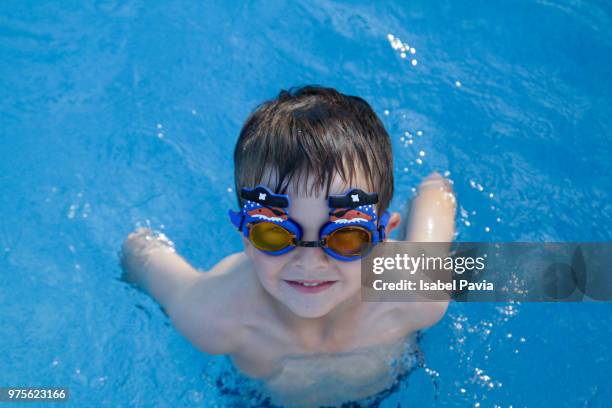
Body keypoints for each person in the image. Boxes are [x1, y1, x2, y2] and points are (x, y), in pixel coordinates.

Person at [120, 85, 456, 407]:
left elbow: (438, 202)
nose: (309, 262)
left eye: (347, 236)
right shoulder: (215, 316)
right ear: (245, 237)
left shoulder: (419, 291)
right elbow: (141, 257)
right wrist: (138, 244)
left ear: (384, 235)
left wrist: (432, 189)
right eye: (274, 234)